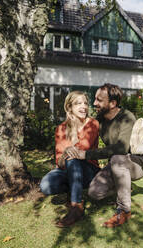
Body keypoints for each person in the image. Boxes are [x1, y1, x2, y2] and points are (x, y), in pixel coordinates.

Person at [65, 83, 143, 228]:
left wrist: (85, 154)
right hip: (116, 165)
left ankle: (124, 210)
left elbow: (121, 148)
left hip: (137, 163)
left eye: (99, 100)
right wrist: (74, 122)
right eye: (95, 99)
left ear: (112, 103)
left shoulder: (127, 117)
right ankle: (125, 186)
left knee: (117, 158)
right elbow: (86, 129)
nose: (94, 103)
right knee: (94, 193)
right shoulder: (101, 118)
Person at [40, 91, 100, 228]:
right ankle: (73, 189)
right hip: (68, 169)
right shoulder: (61, 128)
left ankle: (76, 206)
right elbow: (59, 162)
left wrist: (69, 149)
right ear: (69, 107)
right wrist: (66, 152)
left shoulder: (93, 124)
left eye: (85, 103)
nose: (84, 107)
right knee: (46, 186)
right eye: (78, 103)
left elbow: (82, 149)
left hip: (89, 170)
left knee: (73, 158)